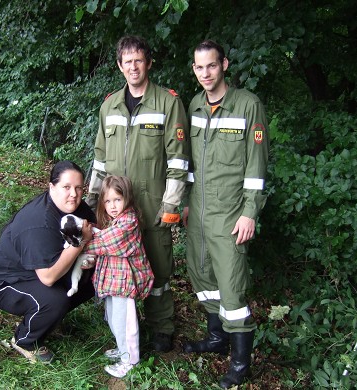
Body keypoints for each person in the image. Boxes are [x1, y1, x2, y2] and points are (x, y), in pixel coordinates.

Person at [86, 35, 189, 352]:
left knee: (158, 271)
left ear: (149, 63)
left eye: (139, 60)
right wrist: (91, 206)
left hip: (153, 207)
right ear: (119, 66)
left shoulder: (168, 103)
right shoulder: (109, 106)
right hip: (115, 212)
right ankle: (126, 329)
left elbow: (179, 161)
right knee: (119, 268)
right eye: (127, 61)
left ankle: (161, 327)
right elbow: (100, 161)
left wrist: (170, 207)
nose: (133, 66)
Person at [181, 40, 269, 388]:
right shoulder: (193, 105)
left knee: (231, 289)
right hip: (199, 212)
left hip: (231, 214)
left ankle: (240, 361)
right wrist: (186, 201)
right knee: (203, 278)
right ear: (194, 69)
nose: (206, 73)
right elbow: (188, 161)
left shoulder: (248, 105)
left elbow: (257, 167)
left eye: (212, 66)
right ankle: (217, 340)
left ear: (225, 65)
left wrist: (250, 212)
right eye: (199, 67)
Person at [0, 160, 96, 363]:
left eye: (79, 188)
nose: (74, 194)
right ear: (51, 186)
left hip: (38, 270)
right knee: (55, 300)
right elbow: (49, 277)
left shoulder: (76, 206)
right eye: (66, 187)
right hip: (7, 282)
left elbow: (94, 229)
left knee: (95, 279)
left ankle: (48, 319)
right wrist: (80, 243)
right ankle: (24, 340)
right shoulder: (39, 222)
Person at [83, 175, 154, 378]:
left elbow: (106, 243)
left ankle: (130, 360)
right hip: (114, 282)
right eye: (107, 201)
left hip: (125, 283)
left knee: (125, 322)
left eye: (117, 200)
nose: (112, 206)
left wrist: (81, 243)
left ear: (127, 199)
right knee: (114, 318)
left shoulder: (128, 221)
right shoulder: (115, 220)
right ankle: (122, 349)